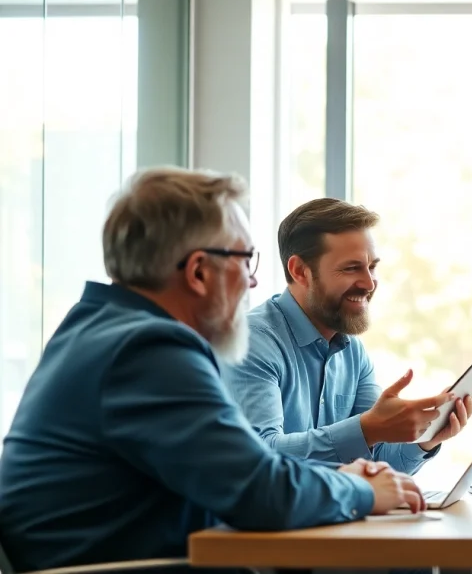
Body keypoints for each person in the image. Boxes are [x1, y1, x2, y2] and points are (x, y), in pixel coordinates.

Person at [0, 168, 423, 574]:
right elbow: (260, 490)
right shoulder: (149, 350)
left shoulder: (103, 329)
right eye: (244, 259)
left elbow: (245, 471)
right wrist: (361, 489)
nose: (252, 282)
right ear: (199, 271)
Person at [224, 198, 472, 471]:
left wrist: (426, 438)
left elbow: (378, 460)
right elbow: (258, 457)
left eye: (372, 267)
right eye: (351, 268)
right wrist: (366, 429)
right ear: (300, 271)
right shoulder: (251, 341)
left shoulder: (352, 352)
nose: (369, 283)